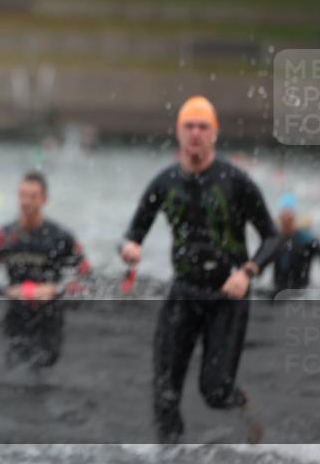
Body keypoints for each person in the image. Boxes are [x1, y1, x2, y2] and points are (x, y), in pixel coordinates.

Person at [119, 95, 280, 444]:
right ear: (178, 133)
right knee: (164, 390)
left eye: (202, 127)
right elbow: (134, 233)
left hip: (228, 295)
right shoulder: (164, 182)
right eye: (188, 126)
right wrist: (130, 248)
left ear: (215, 133)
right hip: (183, 292)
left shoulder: (235, 181)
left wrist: (248, 273)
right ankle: (171, 453)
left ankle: (242, 403)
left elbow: (272, 237)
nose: (195, 133)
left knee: (215, 390)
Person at [0, 171, 91, 369]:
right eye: (22, 195)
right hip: (16, 315)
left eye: (33, 196)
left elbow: (87, 277)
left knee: (44, 365)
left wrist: (55, 290)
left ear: (45, 199)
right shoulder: (2, 237)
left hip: (49, 317)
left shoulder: (61, 237)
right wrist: (7, 291)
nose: (26, 202)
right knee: (16, 370)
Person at [272, 193, 320, 294]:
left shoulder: (308, 241)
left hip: (301, 292)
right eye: (282, 217)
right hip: (277, 292)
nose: (284, 222)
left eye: (288, 217)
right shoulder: (274, 240)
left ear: (294, 218)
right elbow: (259, 265)